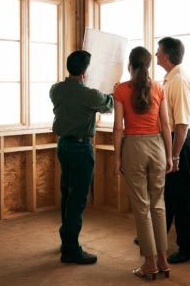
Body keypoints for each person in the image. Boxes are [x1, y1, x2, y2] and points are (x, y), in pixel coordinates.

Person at [113, 47, 173, 280]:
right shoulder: (158, 88)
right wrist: (168, 156)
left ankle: (149, 263)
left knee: (142, 206)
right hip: (157, 146)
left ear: (130, 64)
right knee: (158, 204)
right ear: (148, 65)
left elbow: (119, 127)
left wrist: (118, 157)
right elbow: (166, 125)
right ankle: (163, 260)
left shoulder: (121, 90)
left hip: (134, 148)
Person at [50, 50, 114, 264]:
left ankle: (66, 239)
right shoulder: (90, 95)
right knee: (77, 199)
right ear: (85, 71)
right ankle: (70, 249)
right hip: (80, 148)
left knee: (67, 195)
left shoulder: (56, 90)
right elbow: (109, 104)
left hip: (63, 146)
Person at [156, 36, 190, 264]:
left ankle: (188, 247)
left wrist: (174, 155)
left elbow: (181, 124)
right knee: (169, 194)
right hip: (173, 140)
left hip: (180, 141)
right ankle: (158, 238)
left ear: (167, 55)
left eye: (158, 51)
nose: (155, 55)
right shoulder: (169, 79)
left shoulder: (179, 81)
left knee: (182, 196)